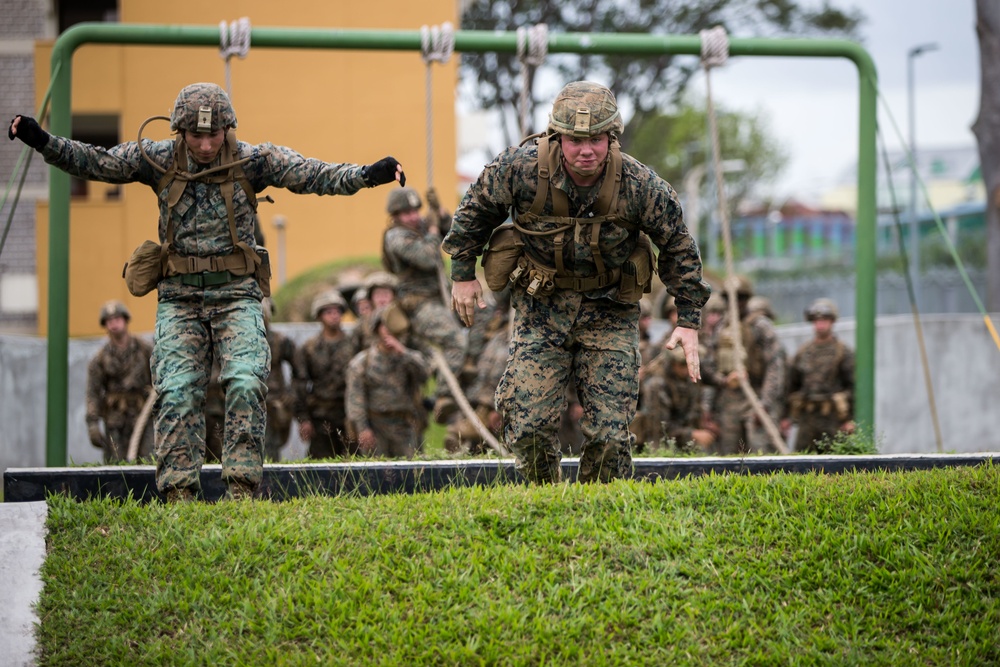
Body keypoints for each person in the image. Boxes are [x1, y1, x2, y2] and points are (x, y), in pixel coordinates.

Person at [9, 82, 405, 501]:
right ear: (179, 131)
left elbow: (311, 173)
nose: (204, 144)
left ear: (227, 129)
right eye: (195, 136)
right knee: (177, 389)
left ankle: (241, 489)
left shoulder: (253, 159)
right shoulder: (158, 158)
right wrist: (43, 141)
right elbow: (98, 163)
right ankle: (180, 495)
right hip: (179, 298)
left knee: (247, 381)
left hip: (236, 294)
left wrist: (366, 175)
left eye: (213, 134)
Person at [444, 81, 710, 484]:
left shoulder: (640, 186)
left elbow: (678, 246)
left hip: (609, 313)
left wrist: (688, 320)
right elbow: (474, 210)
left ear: (612, 137)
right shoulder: (520, 168)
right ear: (557, 137)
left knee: (610, 435)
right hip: (541, 311)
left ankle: (599, 515)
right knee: (529, 427)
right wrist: (463, 274)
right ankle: (543, 506)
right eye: (574, 140)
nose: (586, 150)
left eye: (597, 139)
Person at [381, 186, 467, 423]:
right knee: (456, 341)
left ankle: (463, 375)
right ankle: (442, 397)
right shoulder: (396, 237)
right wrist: (431, 231)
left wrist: (439, 213)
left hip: (441, 299)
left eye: (415, 211)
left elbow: (455, 234)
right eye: (406, 213)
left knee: (478, 326)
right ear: (396, 216)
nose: (413, 216)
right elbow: (428, 258)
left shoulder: (418, 229)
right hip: (419, 305)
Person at [706, 276, 786, 455]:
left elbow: (776, 366)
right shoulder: (721, 328)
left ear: (747, 299)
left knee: (761, 454)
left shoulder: (761, 326)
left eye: (740, 298)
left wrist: (765, 403)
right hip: (729, 402)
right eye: (729, 299)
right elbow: (709, 367)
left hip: (755, 396)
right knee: (729, 456)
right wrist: (724, 382)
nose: (735, 303)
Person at [346, 307, 430, 459]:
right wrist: (363, 429)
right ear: (377, 329)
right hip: (376, 427)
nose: (388, 330)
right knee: (377, 476)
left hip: (405, 426)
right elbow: (355, 399)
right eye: (384, 326)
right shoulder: (362, 362)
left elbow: (424, 375)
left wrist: (403, 353)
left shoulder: (408, 357)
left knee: (412, 475)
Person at [782, 298, 855, 453]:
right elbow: (791, 385)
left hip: (832, 418)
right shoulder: (804, 352)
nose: (820, 325)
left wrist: (850, 420)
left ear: (832, 322)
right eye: (817, 320)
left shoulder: (843, 352)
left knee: (835, 462)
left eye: (824, 320)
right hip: (807, 418)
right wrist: (786, 417)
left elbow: (853, 386)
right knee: (800, 461)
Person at [85, 300, 154, 463]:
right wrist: (92, 424)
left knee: (147, 462)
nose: (114, 324)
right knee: (116, 465)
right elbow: (92, 392)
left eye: (117, 319)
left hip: (142, 417)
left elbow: (159, 381)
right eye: (109, 321)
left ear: (125, 320)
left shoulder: (145, 350)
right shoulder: (100, 359)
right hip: (115, 421)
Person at [293, 289, 359, 459]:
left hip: (349, 417)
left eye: (337, 311)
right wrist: (303, 420)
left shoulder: (353, 345)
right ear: (319, 316)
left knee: (355, 468)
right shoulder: (309, 348)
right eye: (328, 312)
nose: (334, 316)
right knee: (321, 471)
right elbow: (299, 385)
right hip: (320, 418)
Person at [263, 298, 297, 462]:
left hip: (273, 405)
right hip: (244, 404)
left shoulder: (280, 341)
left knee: (271, 455)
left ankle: (270, 487)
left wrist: (290, 392)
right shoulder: (236, 340)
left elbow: (300, 370)